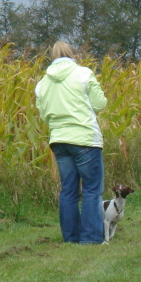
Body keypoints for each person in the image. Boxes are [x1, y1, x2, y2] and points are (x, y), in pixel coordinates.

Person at [35, 41, 107, 244]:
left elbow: (43, 114)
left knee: (68, 189)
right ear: (72, 54)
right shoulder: (83, 74)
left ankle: (71, 238)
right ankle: (91, 237)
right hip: (84, 138)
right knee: (92, 189)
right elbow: (99, 104)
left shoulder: (42, 83)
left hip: (58, 140)